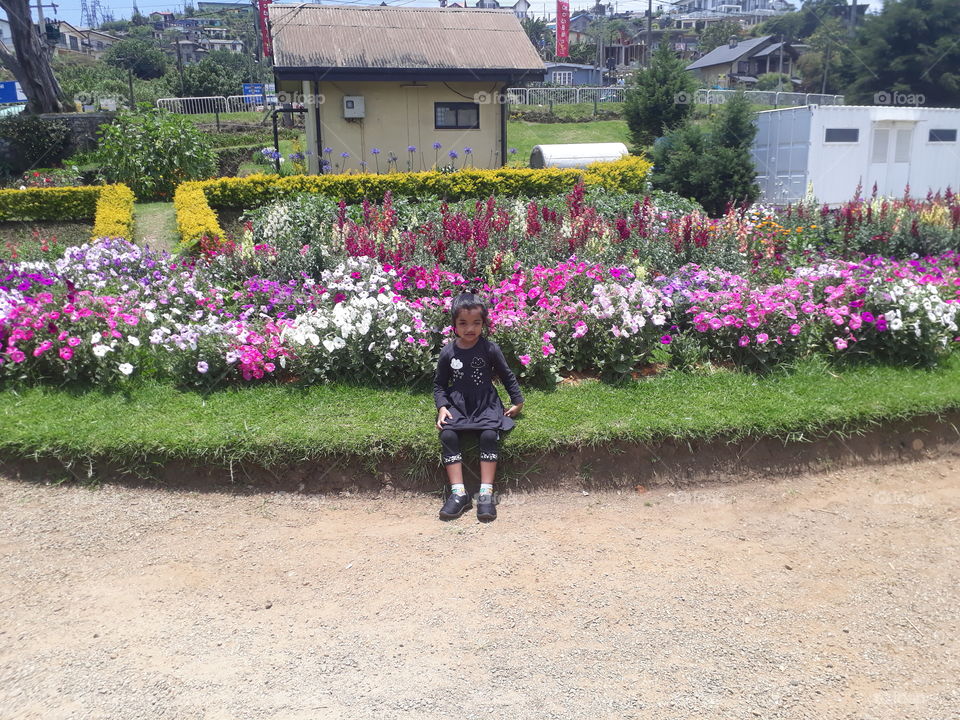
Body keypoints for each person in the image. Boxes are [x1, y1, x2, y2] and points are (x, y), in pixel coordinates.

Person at [433, 292, 524, 522]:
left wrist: (518, 401)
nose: (470, 328)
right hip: (459, 406)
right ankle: (459, 494)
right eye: (463, 323)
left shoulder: (490, 349)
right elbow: (439, 385)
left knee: (489, 435)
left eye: (476, 323)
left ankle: (485, 494)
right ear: (454, 325)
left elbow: (506, 375)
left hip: (486, 404)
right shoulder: (448, 352)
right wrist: (442, 407)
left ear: (484, 324)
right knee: (449, 435)